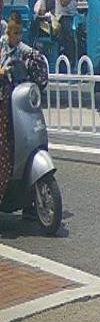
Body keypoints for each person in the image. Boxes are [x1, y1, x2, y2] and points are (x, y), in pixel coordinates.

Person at [0, 13, 48, 207]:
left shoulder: (23, 49)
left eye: (20, 32)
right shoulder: (2, 46)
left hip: (18, 102)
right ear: (8, 32)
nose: (18, 36)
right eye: (15, 32)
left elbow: (36, 59)